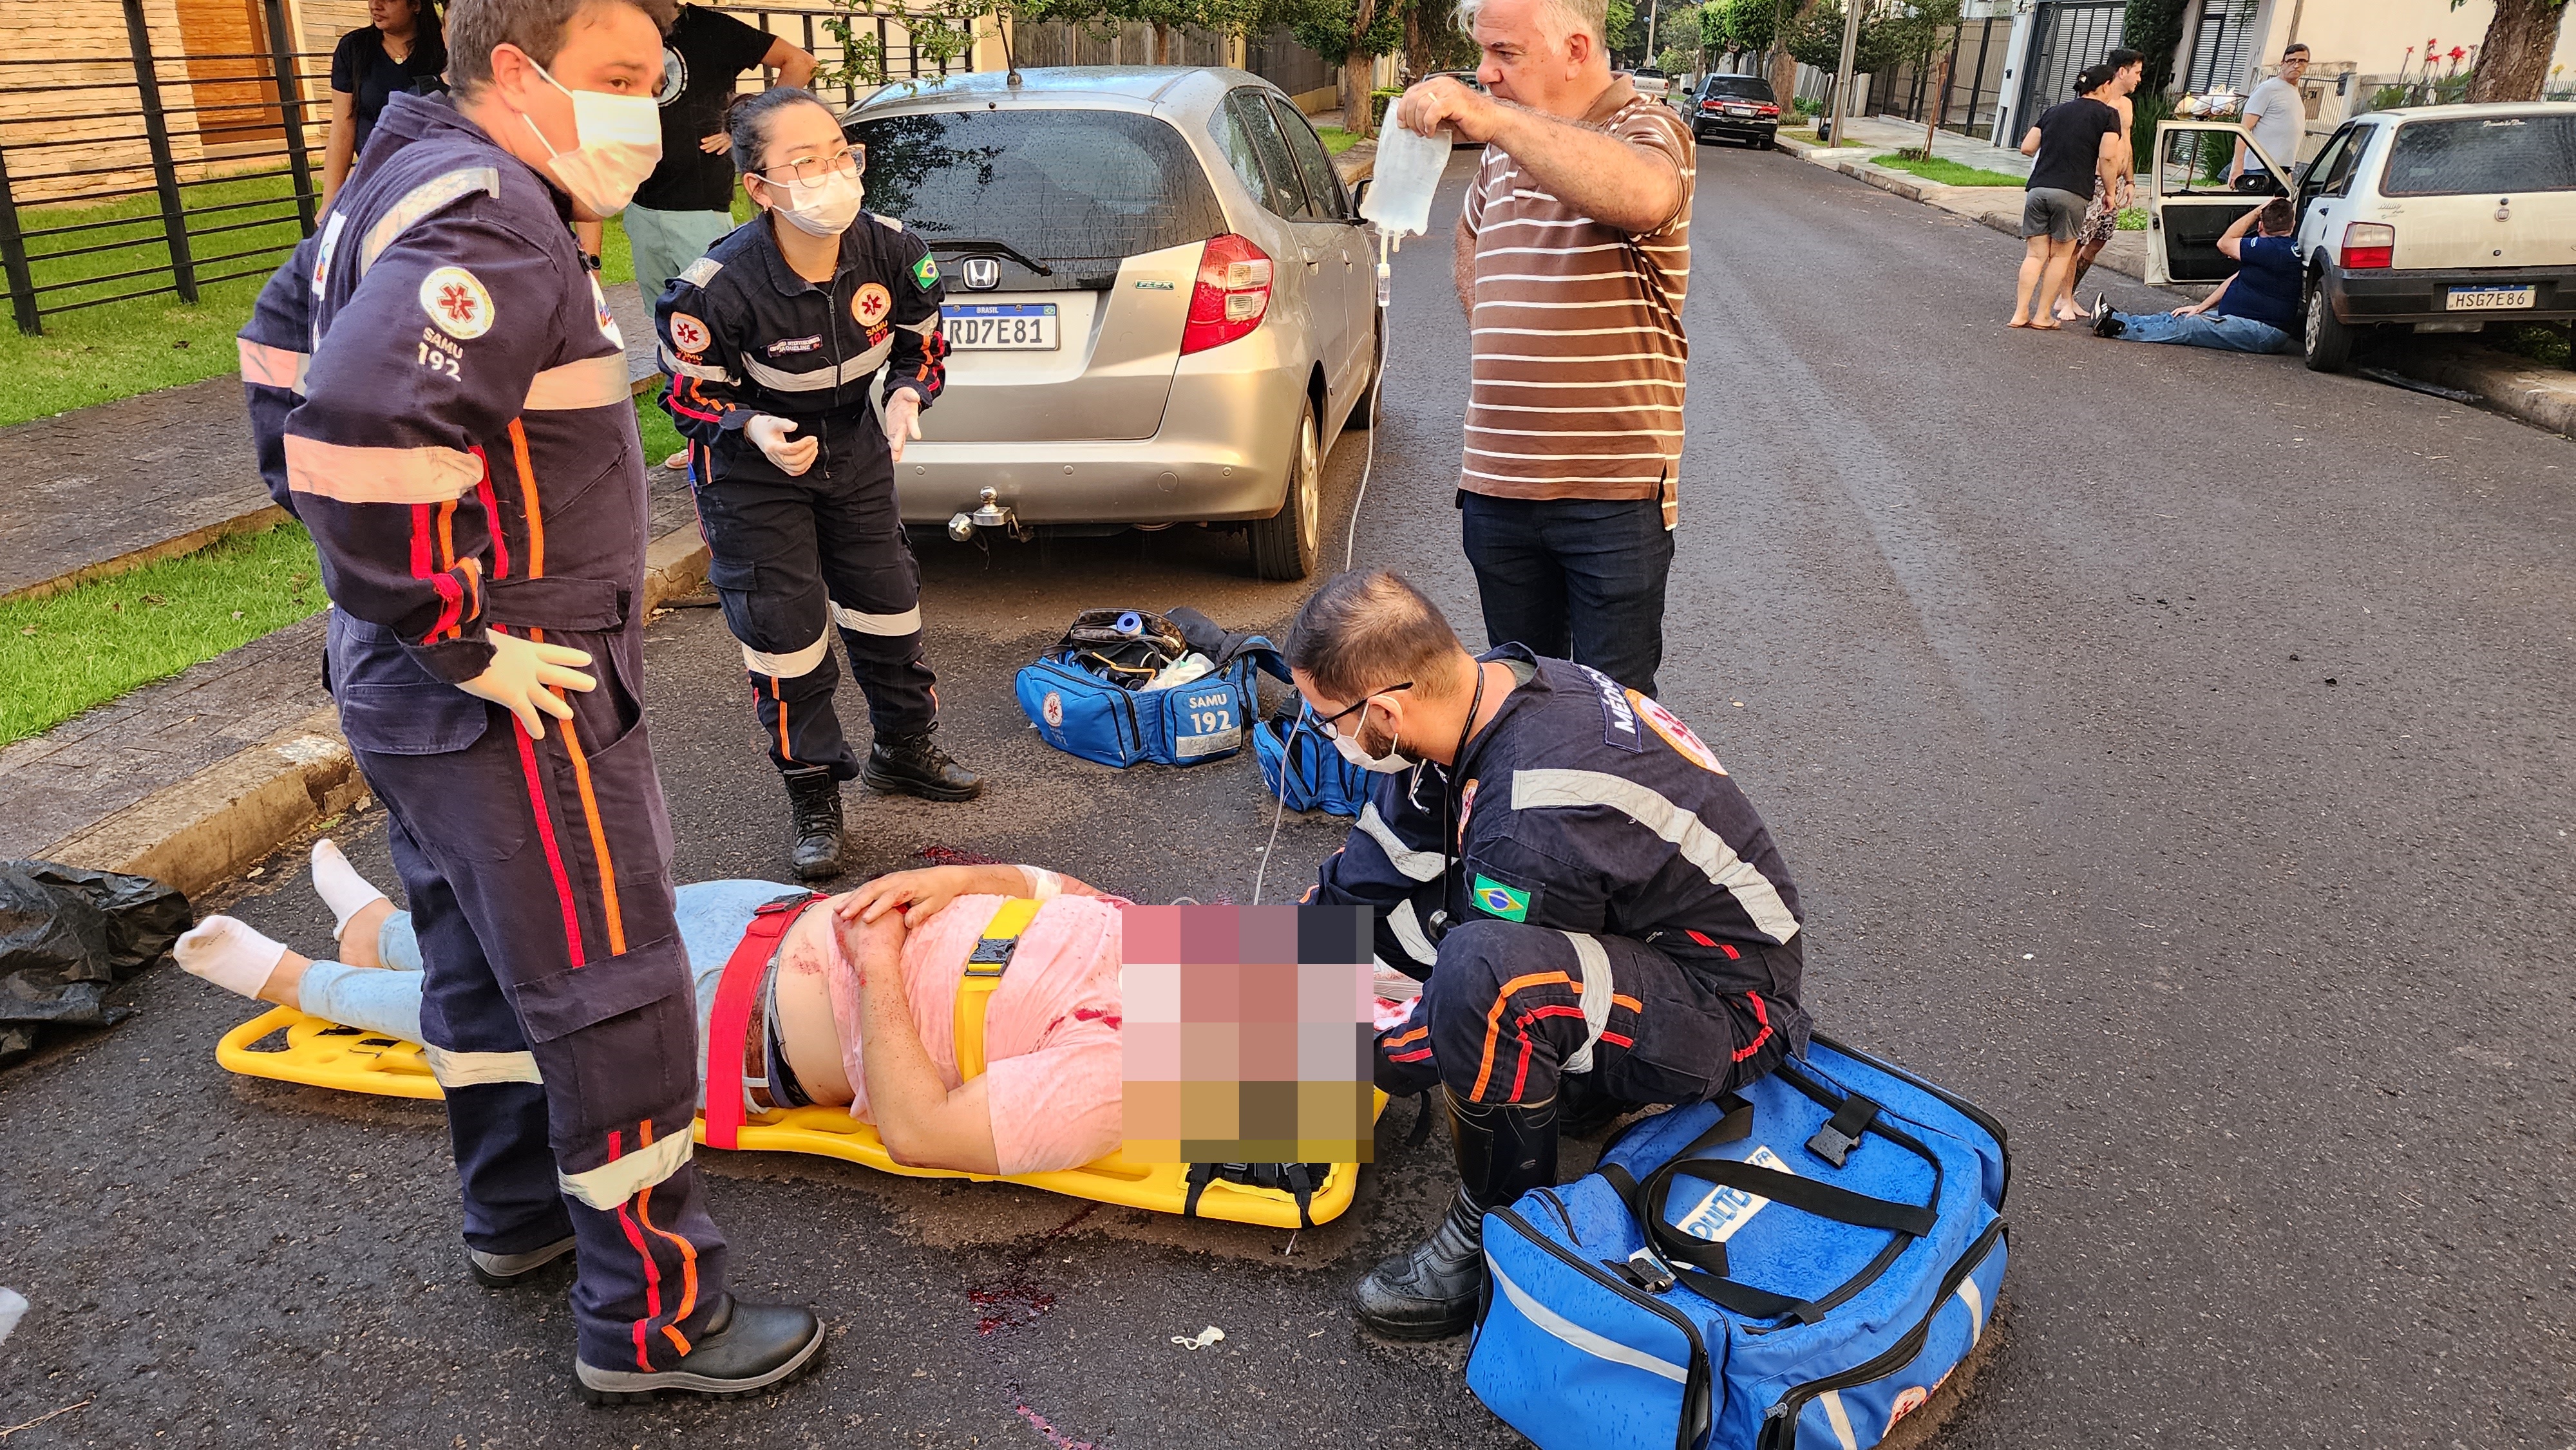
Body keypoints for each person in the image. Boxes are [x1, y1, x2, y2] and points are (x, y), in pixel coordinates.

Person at [234, 0, 821, 1403]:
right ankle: (656, 1321)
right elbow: (362, 439)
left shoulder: (403, 169)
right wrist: (458, 629)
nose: (649, 108)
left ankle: (515, 1219)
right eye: (617, 78)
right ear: (515, 69)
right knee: (612, 989)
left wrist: (395, 610)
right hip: (515, 689)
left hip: (411, 684)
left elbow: (276, 356)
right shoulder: (490, 218)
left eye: (653, 76)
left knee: (483, 961)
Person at [180, 843, 1417, 1178]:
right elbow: (1059, 893)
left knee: (522, 1014)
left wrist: (880, 969)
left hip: (750, 1015)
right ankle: (375, 922)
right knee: (554, 924)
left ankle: (302, 980)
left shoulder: (1126, 1072)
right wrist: (963, 878)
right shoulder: (1177, 958)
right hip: (777, 915)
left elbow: (925, 1134)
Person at [1289, 570, 1810, 1339]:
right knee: (1454, 935)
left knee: (1481, 978)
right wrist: (1298, 947)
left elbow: (1488, 993)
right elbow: (1392, 844)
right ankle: (1583, 1083)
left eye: (1325, 720)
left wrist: (1354, 1050)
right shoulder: (1487, 691)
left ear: (1385, 711)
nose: (1321, 733)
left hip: (1733, 1003)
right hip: (1650, 934)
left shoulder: (1530, 819)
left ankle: (1494, 1233)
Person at [653, 89, 974, 882]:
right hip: (750, 471)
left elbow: (923, 343)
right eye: (804, 164)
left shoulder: (893, 250)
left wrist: (906, 396)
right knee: (786, 637)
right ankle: (812, 790)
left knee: (888, 604)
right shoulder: (713, 287)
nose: (831, 174)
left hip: (854, 444)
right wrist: (751, 428)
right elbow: (689, 394)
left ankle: (905, 749)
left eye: (838, 154)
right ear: (759, 187)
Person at [1388, 0, 1696, 698]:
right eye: (1483, 55)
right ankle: (1529, 814)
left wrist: (1493, 118)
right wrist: (1492, 318)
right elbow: (1469, 233)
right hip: (1497, 484)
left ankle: (1607, 815)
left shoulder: (1647, 128)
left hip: (1609, 494)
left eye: (1505, 53)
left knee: (1612, 714)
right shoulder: (1503, 154)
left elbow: (1645, 195)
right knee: (1522, 697)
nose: (1484, 73)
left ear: (1576, 48)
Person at [626, 3, 813, 469]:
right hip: (639, 204)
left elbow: (801, 61)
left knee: (725, 331)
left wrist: (745, 131)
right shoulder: (624, 26)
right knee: (675, 333)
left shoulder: (711, 28)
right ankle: (698, 435)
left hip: (700, 210)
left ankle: (748, 429)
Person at [2089, 198, 2300, 354]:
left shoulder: (2274, 250)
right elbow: (2236, 279)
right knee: (2181, 316)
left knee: (2191, 326)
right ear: (2292, 225)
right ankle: (2116, 318)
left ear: (2261, 225)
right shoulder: (2273, 250)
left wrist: (2256, 212)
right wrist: (2200, 307)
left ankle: (2119, 329)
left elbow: (2225, 242)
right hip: (2246, 323)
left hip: (2261, 331)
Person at [2011, 68, 2125, 330]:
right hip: (2073, 192)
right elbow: (2108, 157)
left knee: (2035, 255)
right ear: (2106, 86)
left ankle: (2019, 314)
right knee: (2061, 256)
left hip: (2038, 189)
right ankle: (2042, 316)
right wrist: (2109, 193)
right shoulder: (2108, 115)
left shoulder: (2054, 111)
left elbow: (2027, 147)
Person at [321, 0, 450, 209]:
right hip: (374, 182)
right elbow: (343, 124)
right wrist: (329, 201)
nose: (375, 5)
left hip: (434, 180)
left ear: (416, 5)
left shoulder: (442, 46)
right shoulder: (354, 48)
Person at [2049, 52, 2140, 326]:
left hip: (2116, 180)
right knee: (2076, 241)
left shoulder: (2127, 105)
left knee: (2098, 240)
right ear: (2121, 72)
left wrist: (2131, 180)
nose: (2139, 78)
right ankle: (2063, 296)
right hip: (2094, 180)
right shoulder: (2098, 104)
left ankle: (2070, 290)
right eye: (2137, 72)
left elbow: (2127, 143)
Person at [2235, 42, 2307, 189]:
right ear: (2283, 63)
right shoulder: (2268, 89)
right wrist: (2238, 169)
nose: (2296, 65)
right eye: (2291, 61)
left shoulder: (2293, 91)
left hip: (2281, 169)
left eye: (2301, 61)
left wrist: (2287, 171)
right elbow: (2243, 131)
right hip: (2259, 169)